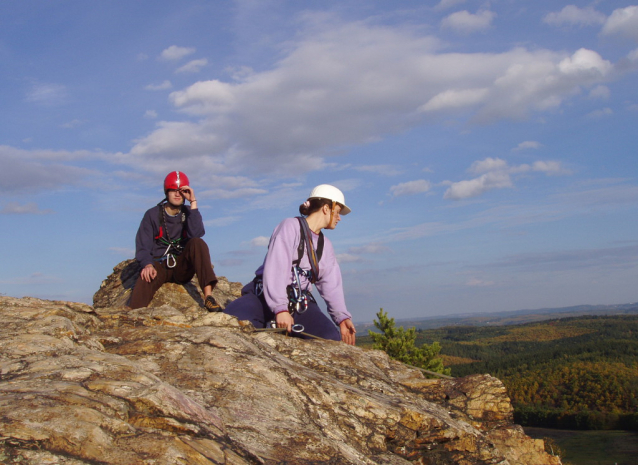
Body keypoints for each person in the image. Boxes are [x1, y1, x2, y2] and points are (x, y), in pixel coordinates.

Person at [224, 184, 357, 345]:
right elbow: (277, 268)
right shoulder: (289, 227)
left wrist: (342, 318)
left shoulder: (325, 246)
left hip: (298, 303)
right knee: (231, 323)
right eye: (337, 211)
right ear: (326, 208)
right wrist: (281, 308)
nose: (339, 217)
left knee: (330, 338)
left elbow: (331, 284)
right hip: (263, 297)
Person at [129, 171, 220, 311]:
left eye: (181, 191)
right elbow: (143, 244)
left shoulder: (189, 212)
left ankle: (208, 297)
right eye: (173, 190)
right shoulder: (152, 215)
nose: (177, 194)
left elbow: (197, 234)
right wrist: (147, 264)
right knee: (145, 277)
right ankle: (133, 314)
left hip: (181, 267)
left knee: (198, 243)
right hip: (159, 265)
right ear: (167, 192)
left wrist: (193, 202)